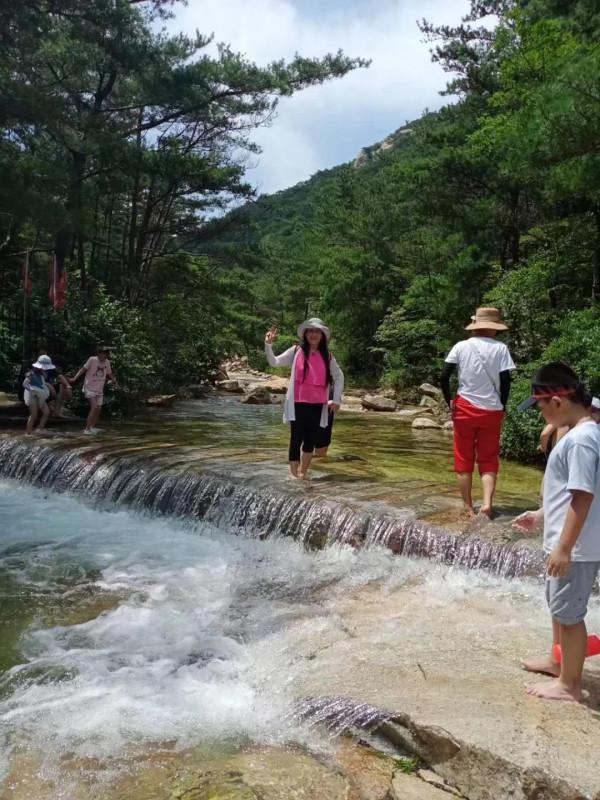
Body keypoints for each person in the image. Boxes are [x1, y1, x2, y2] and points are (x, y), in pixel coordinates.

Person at [513, 363, 600, 703]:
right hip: (567, 541)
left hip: (575, 547)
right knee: (557, 605)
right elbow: (566, 492)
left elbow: (583, 495)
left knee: (569, 614)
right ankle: (556, 659)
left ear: (557, 401)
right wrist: (540, 514)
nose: (540, 414)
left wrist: (564, 548)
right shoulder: (581, 433)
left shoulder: (581, 440)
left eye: (540, 406)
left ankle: (569, 684)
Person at [440, 307, 515, 518]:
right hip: (492, 410)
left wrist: (449, 401)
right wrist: (502, 405)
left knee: (463, 458)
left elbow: (444, 376)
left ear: (476, 325)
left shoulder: (461, 346)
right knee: (489, 458)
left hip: (464, 408)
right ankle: (487, 503)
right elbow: (506, 381)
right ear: (494, 328)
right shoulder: (501, 349)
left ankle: (467, 506)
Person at [265, 318, 344, 479]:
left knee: (309, 441)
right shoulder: (295, 351)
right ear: (305, 334)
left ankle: (303, 473)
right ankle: (294, 475)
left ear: (322, 335)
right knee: (296, 439)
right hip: (297, 403)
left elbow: (339, 377)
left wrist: (336, 399)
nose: (313, 334)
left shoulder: (328, 357)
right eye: (310, 331)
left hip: (317, 405)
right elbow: (274, 362)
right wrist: (268, 345)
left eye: (316, 331)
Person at [70, 346, 117, 435]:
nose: (105, 356)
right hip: (89, 387)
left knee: (98, 408)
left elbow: (109, 373)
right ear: (99, 354)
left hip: (99, 389)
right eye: (103, 354)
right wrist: (74, 378)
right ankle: (87, 429)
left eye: (106, 355)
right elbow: (83, 369)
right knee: (94, 406)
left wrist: (115, 382)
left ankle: (92, 427)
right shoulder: (92, 360)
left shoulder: (107, 362)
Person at [36, 352, 72, 417]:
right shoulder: (35, 369)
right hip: (39, 390)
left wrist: (68, 386)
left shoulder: (51, 369)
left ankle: (57, 410)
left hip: (50, 391)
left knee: (61, 385)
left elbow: (60, 376)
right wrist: (48, 385)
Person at [22, 359, 51, 435]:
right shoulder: (31, 374)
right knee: (34, 415)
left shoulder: (42, 375)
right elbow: (25, 383)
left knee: (46, 412)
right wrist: (30, 388)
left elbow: (42, 384)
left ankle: (39, 429)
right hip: (32, 395)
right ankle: (28, 433)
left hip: (40, 395)